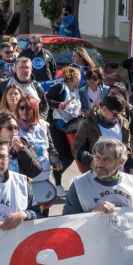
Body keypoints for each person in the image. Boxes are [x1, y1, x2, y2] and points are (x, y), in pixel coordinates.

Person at [63, 138, 133, 215]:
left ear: (120, 163)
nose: (100, 164)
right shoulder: (79, 184)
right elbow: (67, 221)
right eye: (97, 158)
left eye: (106, 159)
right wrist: (95, 213)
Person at [16, 95, 62, 210]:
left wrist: (56, 161)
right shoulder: (13, 127)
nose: (24, 111)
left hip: (43, 179)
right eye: (21, 107)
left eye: (28, 108)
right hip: (24, 182)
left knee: (43, 215)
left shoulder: (43, 125)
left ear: (35, 109)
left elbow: (50, 149)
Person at [72, 93, 133, 173]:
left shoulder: (124, 124)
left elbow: (127, 150)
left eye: (120, 114)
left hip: (119, 175)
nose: (117, 117)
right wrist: (91, 160)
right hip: (95, 174)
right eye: (115, 115)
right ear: (104, 109)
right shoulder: (88, 125)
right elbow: (76, 149)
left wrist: (130, 166)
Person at [46, 66, 82, 195]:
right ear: (73, 77)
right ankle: (58, 184)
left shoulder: (76, 90)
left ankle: (58, 173)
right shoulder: (60, 87)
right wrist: (58, 104)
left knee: (71, 155)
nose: (81, 78)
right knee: (61, 155)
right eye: (79, 76)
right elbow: (46, 100)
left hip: (70, 127)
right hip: (57, 126)